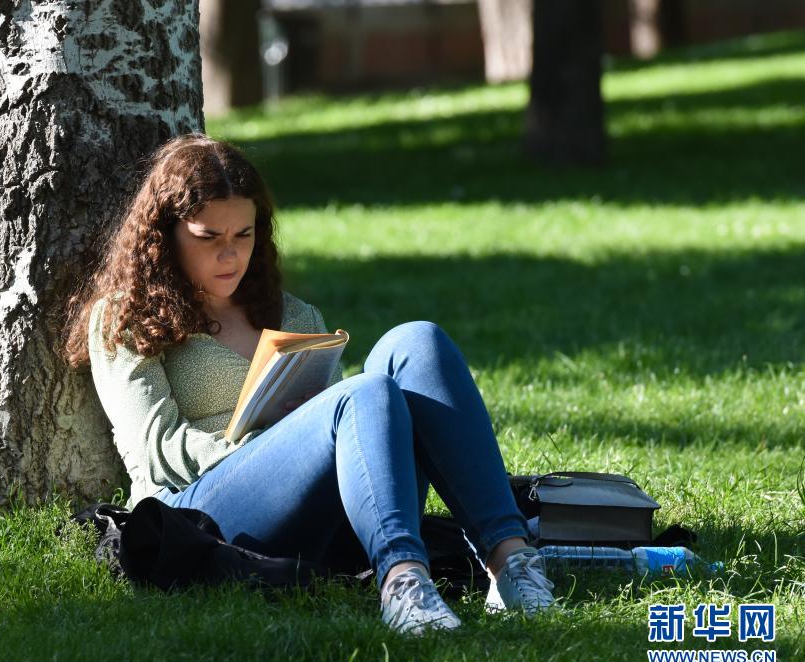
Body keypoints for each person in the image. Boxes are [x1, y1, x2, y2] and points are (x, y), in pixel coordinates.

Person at [63, 133, 555, 636]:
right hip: (202, 510)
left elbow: (353, 438)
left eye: (244, 235)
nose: (230, 255)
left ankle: (512, 564)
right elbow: (156, 450)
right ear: (165, 235)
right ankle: (405, 584)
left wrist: (311, 429)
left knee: (416, 342)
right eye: (209, 237)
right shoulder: (127, 318)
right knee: (362, 392)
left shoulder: (294, 315)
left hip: (324, 517)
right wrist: (266, 441)